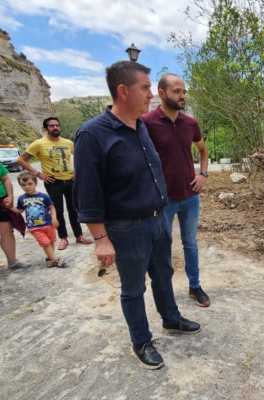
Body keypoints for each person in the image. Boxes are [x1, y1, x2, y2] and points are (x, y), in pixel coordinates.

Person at [73, 61, 201, 370]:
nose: (151, 95)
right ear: (123, 90)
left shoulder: (141, 126)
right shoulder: (93, 134)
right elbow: (87, 193)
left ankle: (170, 318)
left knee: (164, 275)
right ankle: (141, 340)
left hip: (158, 218)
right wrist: (101, 239)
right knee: (134, 288)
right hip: (126, 227)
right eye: (145, 88)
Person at [141, 73, 210, 307]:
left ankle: (195, 286)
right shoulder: (146, 122)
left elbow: (203, 150)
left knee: (190, 243)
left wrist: (203, 174)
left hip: (190, 197)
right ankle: (165, 291)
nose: (182, 96)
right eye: (177, 92)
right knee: (163, 246)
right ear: (161, 93)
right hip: (162, 200)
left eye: (184, 92)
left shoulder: (190, 123)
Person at [16, 117, 93, 250]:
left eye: (57, 125)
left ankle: (79, 235)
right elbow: (21, 160)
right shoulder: (38, 144)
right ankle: (63, 238)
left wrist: (77, 171)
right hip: (53, 182)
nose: (55, 128)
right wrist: (38, 174)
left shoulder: (68, 142)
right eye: (52, 126)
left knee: (74, 209)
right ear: (45, 129)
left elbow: (81, 156)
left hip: (70, 180)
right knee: (57, 211)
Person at [6, 172, 67, 268]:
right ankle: (56, 260)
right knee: (45, 243)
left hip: (48, 224)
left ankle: (49, 258)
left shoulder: (44, 196)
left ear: (36, 183)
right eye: (23, 185)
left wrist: (54, 218)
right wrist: (10, 207)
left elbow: (51, 207)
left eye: (30, 184)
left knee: (51, 242)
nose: (27, 187)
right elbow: (19, 210)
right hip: (34, 227)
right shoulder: (22, 199)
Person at [0, 163, 29, 269]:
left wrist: (10, 197)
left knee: (7, 231)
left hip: (1, 199)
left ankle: (12, 262)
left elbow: (5, 179)